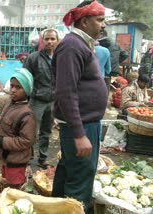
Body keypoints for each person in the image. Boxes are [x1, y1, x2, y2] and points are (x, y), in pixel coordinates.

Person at [51, 1, 108, 212]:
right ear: (84, 21)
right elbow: (66, 92)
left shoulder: (80, 44)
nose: (103, 25)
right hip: (82, 126)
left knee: (69, 172)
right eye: (100, 20)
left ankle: (57, 207)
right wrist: (79, 134)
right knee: (80, 181)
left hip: (86, 123)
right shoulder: (71, 46)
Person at [0, 68, 35, 189]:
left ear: (27, 90)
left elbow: (25, 141)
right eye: (12, 86)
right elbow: (1, 122)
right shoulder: (8, 103)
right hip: (5, 157)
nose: (13, 90)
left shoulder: (27, 114)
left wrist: (0, 141)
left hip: (16, 162)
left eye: (18, 87)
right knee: (5, 184)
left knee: (13, 189)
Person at [23, 29, 59, 168]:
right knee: (31, 131)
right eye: (47, 39)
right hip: (37, 100)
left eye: (52, 39)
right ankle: (28, 159)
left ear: (57, 41)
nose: (49, 42)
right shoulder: (33, 58)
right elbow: (25, 79)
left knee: (46, 131)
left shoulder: (60, 57)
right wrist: (25, 101)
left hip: (52, 101)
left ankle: (43, 158)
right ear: (42, 41)